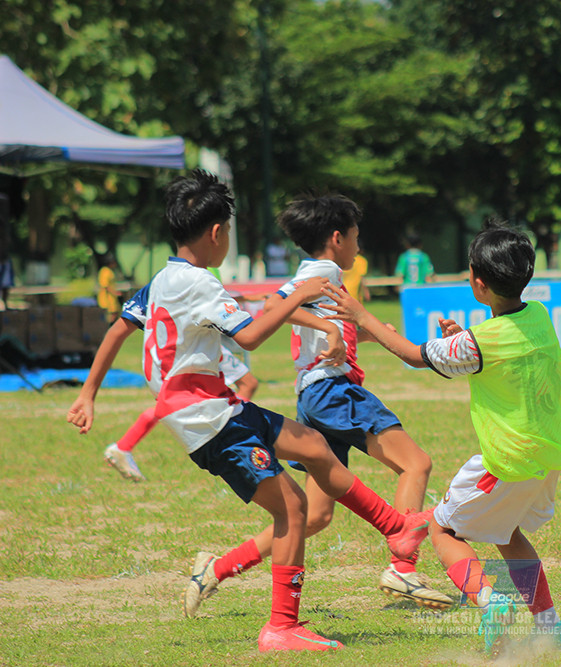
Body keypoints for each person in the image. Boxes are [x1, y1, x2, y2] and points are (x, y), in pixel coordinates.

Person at [90, 170, 431, 652]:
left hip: (217, 405)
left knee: (313, 447)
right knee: (294, 509)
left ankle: (396, 528)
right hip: (208, 419)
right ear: (216, 233)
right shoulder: (203, 286)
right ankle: (282, 628)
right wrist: (298, 296)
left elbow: (128, 327)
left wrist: (87, 395)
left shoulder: (165, 280)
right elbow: (249, 335)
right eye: (228, 230)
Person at [326, 221, 561, 654]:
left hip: (505, 462)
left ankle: (489, 600)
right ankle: (550, 626)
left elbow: (412, 355)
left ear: (477, 283)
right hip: (545, 456)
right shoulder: (538, 317)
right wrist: (462, 340)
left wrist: (362, 317)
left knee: (443, 530)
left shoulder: (479, 342)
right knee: (507, 532)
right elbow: (492, 353)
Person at [194, 192, 452, 613]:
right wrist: (332, 331)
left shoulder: (314, 271)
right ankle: (403, 566)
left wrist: (360, 333)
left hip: (314, 396)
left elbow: (317, 319)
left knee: (314, 515)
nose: (358, 246)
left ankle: (217, 568)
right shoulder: (326, 270)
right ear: (337, 238)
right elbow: (274, 306)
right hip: (333, 391)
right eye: (355, 237)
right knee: (416, 463)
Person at [68, 282, 260, 484]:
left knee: (173, 402)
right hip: (193, 346)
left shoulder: (162, 282)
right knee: (247, 383)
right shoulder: (191, 278)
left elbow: (118, 330)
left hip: (167, 351)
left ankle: (123, 447)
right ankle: (236, 434)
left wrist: (87, 394)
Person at [96, 254, 121, 324]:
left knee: (115, 313)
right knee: (111, 314)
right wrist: (115, 292)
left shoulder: (110, 271)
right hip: (107, 297)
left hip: (112, 297)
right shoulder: (104, 271)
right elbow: (105, 285)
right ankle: (107, 328)